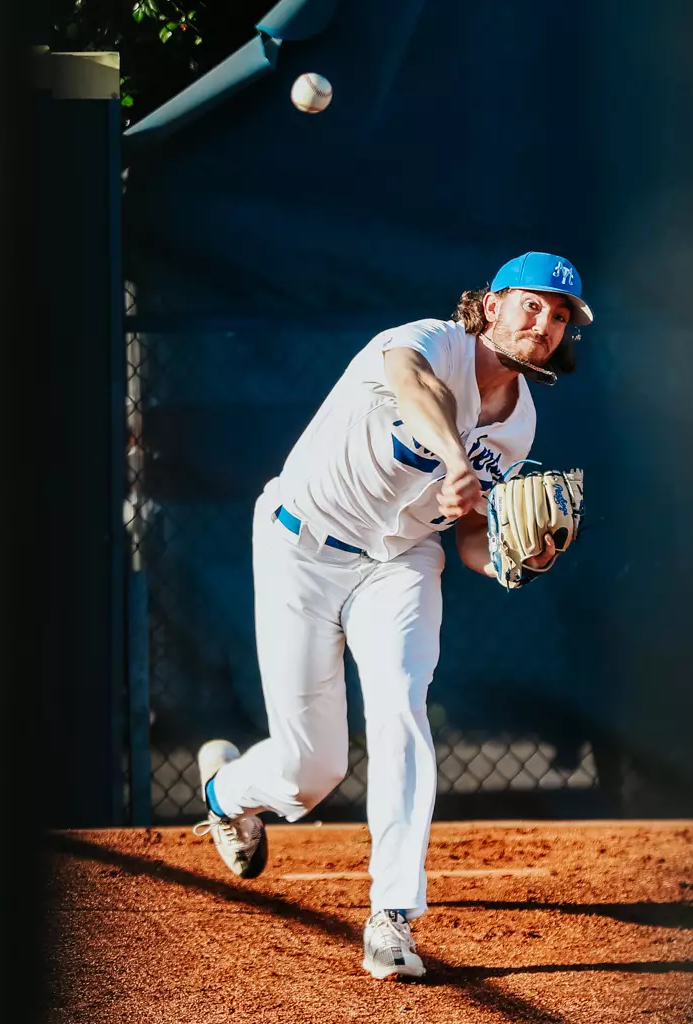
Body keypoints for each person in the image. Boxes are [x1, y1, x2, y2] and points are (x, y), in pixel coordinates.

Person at [192, 251, 591, 980]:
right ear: (491, 305)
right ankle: (226, 791)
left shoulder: (519, 424)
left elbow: (472, 538)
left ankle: (393, 915)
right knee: (310, 772)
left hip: (401, 563)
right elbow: (413, 388)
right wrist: (454, 458)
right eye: (532, 305)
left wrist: (515, 557)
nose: (545, 323)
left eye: (560, 315)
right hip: (301, 546)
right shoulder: (429, 340)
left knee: (402, 706)